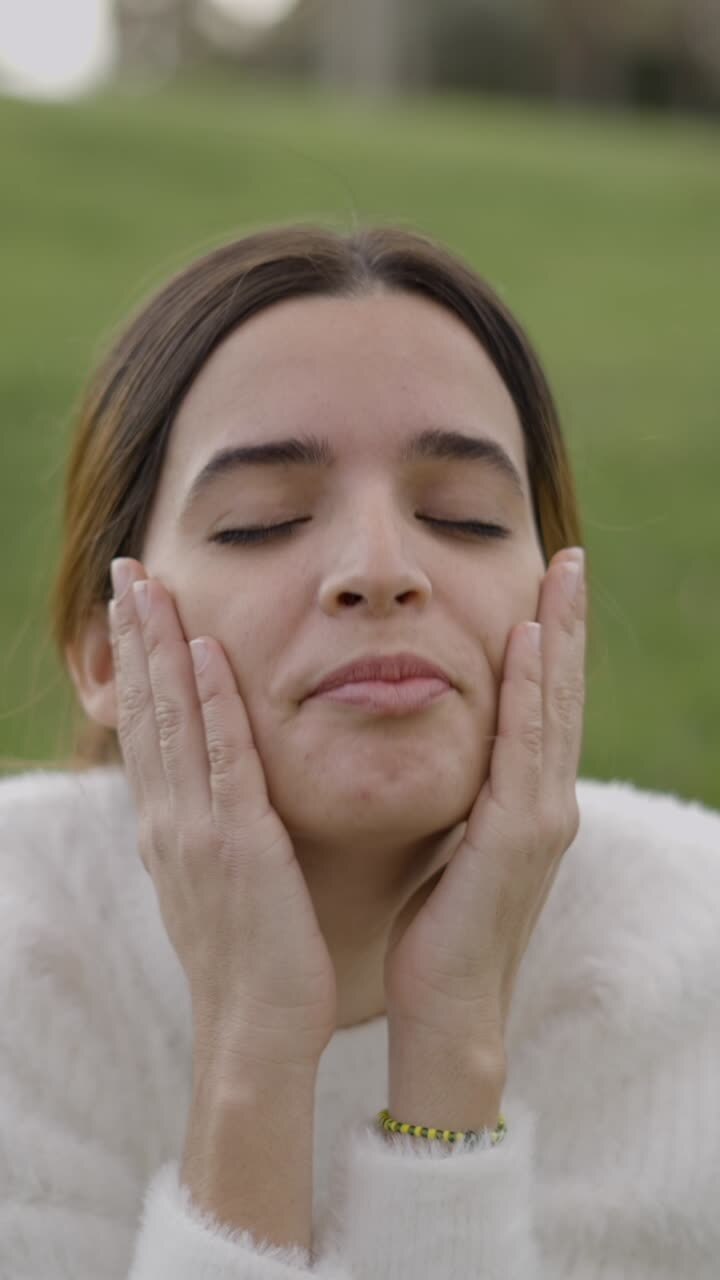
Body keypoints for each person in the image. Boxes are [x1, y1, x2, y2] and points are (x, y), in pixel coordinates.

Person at [1, 223, 719, 1279]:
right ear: (109, 653)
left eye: (464, 517)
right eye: (262, 522)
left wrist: (455, 1042)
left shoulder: (699, 969)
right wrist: (252, 1053)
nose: (381, 568)